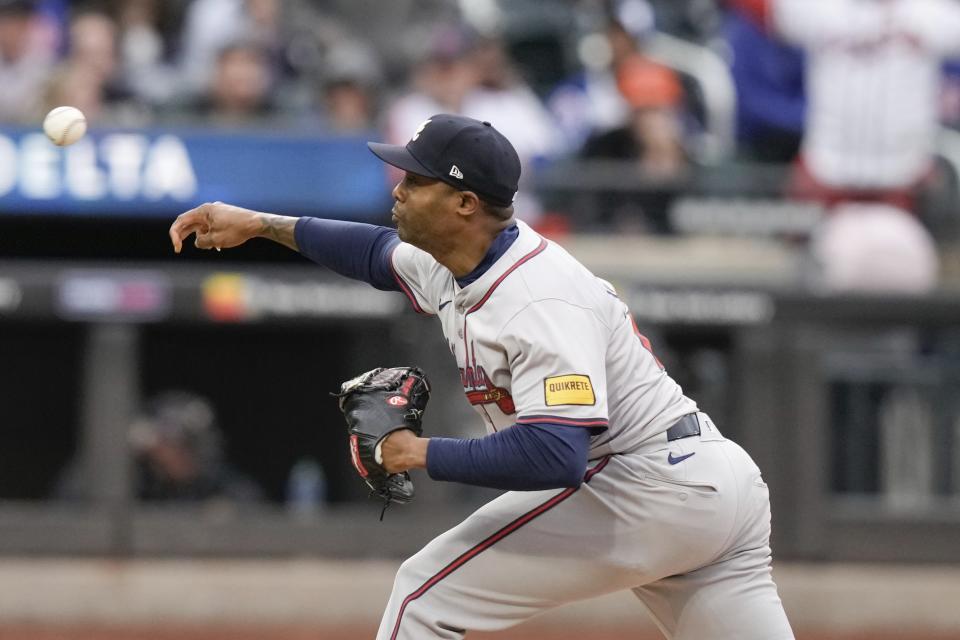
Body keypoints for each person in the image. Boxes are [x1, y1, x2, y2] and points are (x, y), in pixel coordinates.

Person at [168, 114, 794, 639]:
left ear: (464, 204)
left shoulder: (537, 299)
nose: (399, 188)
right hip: (707, 487)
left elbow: (556, 456)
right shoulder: (454, 260)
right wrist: (260, 223)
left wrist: (414, 452)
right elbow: (370, 253)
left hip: (645, 483)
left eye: (417, 179)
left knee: (422, 599)